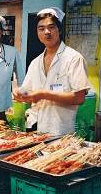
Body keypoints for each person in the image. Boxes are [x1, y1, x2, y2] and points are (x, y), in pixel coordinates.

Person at [13, 7, 91, 136]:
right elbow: (28, 93)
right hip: (34, 127)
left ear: (59, 29)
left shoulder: (74, 58)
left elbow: (79, 97)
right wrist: (19, 93)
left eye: (51, 27)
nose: (47, 32)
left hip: (60, 131)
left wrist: (44, 94)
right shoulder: (35, 63)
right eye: (41, 28)